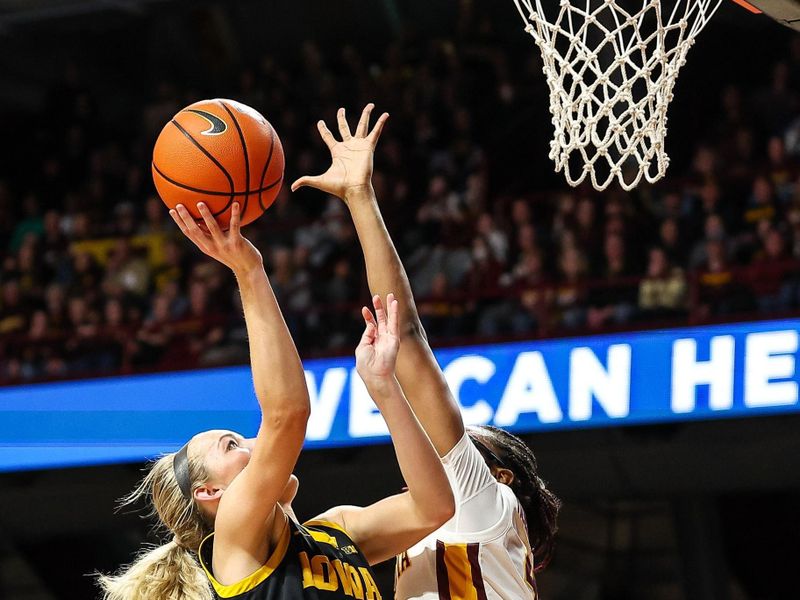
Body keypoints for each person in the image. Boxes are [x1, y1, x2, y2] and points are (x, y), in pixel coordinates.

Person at [98, 200, 455, 599]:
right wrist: (248, 271)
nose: (255, 443)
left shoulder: (336, 532)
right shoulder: (233, 540)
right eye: (232, 445)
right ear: (210, 493)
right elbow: (286, 416)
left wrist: (385, 389)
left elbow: (434, 507)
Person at [293, 104, 561, 599]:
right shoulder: (450, 531)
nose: (437, 438)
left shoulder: (486, 503)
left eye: (462, 447)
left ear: (497, 477)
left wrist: (360, 197)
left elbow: (407, 336)